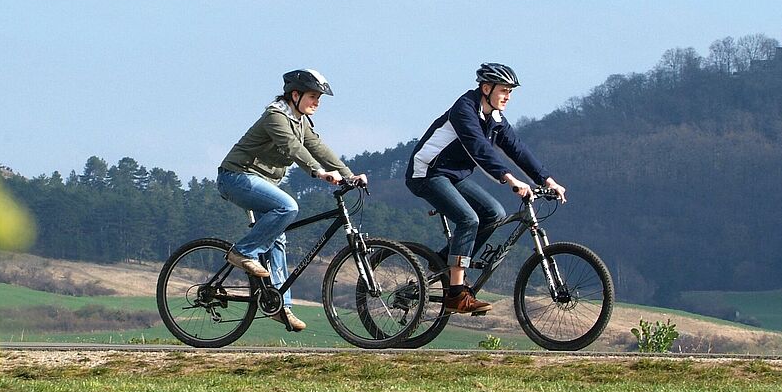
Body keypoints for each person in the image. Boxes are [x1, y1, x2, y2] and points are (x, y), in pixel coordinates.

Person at [405, 62, 566, 314]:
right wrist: (510, 179)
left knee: (495, 213)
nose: (508, 97)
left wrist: (547, 180)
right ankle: (456, 294)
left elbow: (518, 149)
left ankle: (444, 263)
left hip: (454, 176)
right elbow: (479, 147)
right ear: (486, 87)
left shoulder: (496, 118)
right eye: (504, 90)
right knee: (469, 219)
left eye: (511, 92)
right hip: (427, 173)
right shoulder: (464, 109)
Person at [217, 69, 367, 332]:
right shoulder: (275, 116)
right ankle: (242, 252)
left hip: (262, 183)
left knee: (278, 239)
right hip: (236, 177)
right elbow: (292, 148)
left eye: (319, 97)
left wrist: (349, 175)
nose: (317, 102)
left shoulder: (300, 122)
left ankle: (279, 306)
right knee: (288, 207)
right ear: (294, 95)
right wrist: (318, 172)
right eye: (312, 96)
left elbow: (319, 148)